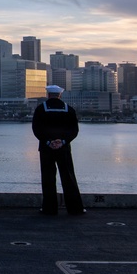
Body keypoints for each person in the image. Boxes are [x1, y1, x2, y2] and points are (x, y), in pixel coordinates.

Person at [32, 85, 85, 215]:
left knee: (48, 178)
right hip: (64, 148)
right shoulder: (69, 110)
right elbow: (74, 130)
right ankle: (75, 209)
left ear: (48, 95)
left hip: (46, 149)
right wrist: (62, 141)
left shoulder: (40, 109)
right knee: (68, 177)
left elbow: (36, 129)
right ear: (60, 95)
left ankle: (49, 209)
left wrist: (49, 141)